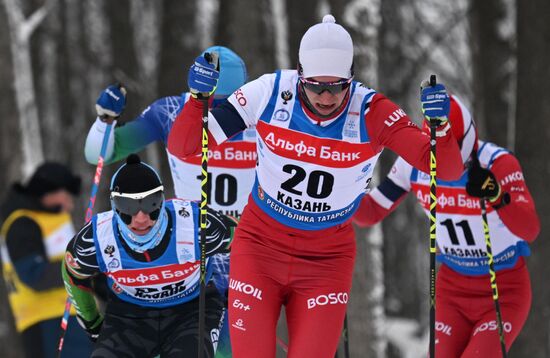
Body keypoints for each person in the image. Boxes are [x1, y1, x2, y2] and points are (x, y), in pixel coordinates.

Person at [167, 14, 463, 357]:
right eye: (315, 85)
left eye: (337, 86)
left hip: (326, 261)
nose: (326, 97)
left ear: (351, 78)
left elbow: (447, 170)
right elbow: (185, 147)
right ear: (299, 74)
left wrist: (439, 128)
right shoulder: (269, 92)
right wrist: (197, 100)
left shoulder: (372, 111)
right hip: (260, 247)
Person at [84, 45, 251, 356]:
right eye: (213, 103)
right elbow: (100, 155)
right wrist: (104, 121)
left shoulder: (257, 112)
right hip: (193, 252)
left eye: (230, 104)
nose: (221, 114)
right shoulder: (172, 111)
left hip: (248, 248)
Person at [353, 95, 540, 357]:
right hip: (452, 291)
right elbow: (370, 212)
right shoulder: (413, 165)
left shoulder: (497, 163)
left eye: (459, 159)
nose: (453, 169)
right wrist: (341, 192)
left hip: (502, 289)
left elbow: (529, 229)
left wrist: (497, 195)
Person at [62, 154, 237, 357]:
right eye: (128, 207)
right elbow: (73, 274)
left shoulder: (195, 223)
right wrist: (92, 325)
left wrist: (235, 290)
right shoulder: (98, 238)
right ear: (115, 206)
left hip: (193, 311)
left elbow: (245, 241)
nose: (141, 217)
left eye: (151, 204)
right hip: (129, 318)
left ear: (162, 200)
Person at [0, 162, 93, 358]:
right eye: (67, 197)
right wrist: (83, 267)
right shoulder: (22, 223)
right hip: (46, 322)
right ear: (49, 192)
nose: (70, 205)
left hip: (73, 318)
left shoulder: (54, 220)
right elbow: (35, 275)